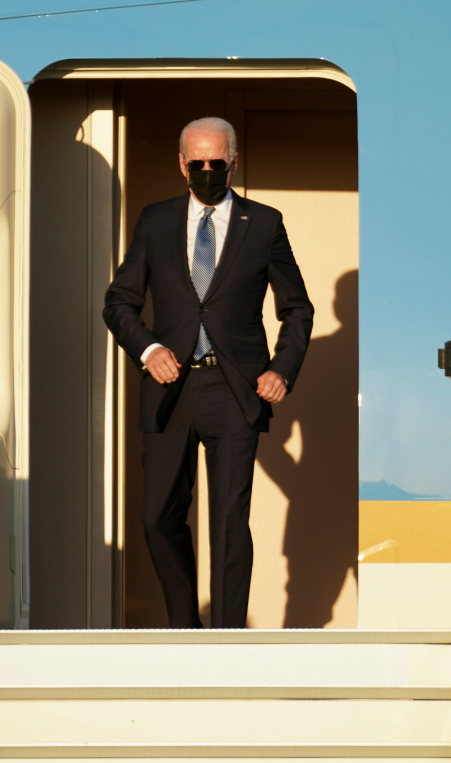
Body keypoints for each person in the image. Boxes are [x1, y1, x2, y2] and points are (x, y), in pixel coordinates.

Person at [103, 116, 314, 628]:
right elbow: (118, 302)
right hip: (168, 387)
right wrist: (148, 349)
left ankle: (226, 638)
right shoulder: (156, 221)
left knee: (228, 524)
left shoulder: (263, 224)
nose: (205, 171)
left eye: (215, 163)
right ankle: (185, 628)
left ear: (233, 163)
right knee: (157, 517)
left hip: (234, 390)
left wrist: (281, 370)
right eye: (195, 163)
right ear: (181, 164)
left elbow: (297, 308)